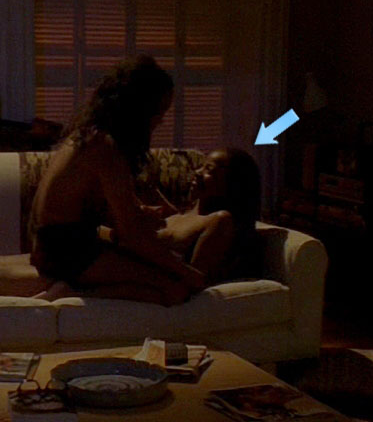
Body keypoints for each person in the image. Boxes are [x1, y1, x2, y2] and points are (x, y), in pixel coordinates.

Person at [29, 55, 206, 306]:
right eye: (159, 111)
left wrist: (140, 212)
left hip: (55, 245)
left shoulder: (89, 136)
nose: (161, 120)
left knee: (160, 271)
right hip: (68, 252)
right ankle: (72, 292)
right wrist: (186, 271)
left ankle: (79, 287)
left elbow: (99, 207)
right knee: (174, 289)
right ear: (141, 109)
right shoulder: (104, 147)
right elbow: (131, 235)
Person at [156, 148, 262, 284]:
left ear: (232, 184)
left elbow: (195, 280)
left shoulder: (219, 220)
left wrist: (152, 252)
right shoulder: (180, 214)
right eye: (202, 166)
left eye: (209, 170)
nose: (197, 172)